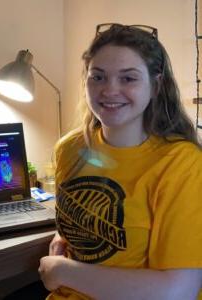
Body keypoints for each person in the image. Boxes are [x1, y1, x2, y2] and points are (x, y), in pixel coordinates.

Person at [38, 23, 202, 300]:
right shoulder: (69, 148)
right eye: (98, 77)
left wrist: (64, 271)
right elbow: (79, 218)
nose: (109, 90)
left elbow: (176, 291)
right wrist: (61, 238)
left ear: (155, 86)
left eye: (128, 79)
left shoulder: (182, 165)